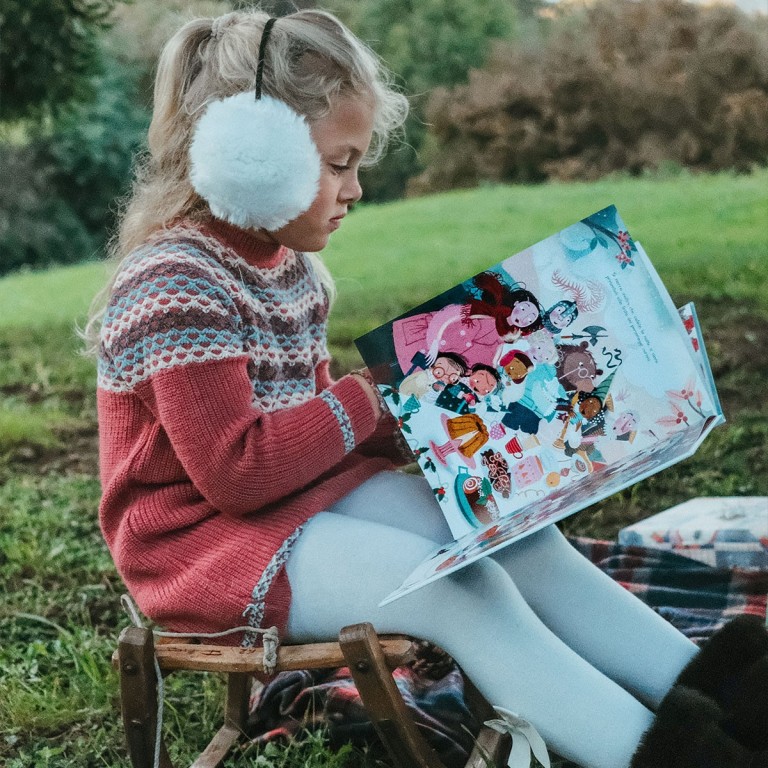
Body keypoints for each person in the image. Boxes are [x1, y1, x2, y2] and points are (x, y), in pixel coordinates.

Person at [86, 9, 768, 768]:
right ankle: (676, 757)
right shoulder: (174, 285)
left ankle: (741, 695)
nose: (356, 188)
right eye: (339, 163)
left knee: (510, 535)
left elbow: (318, 439)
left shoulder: (288, 266)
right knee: (461, 595)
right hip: (204, 546)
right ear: (254, 158)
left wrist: (448, 404)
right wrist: (372, 394)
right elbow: (240, 472)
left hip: (298, 504)